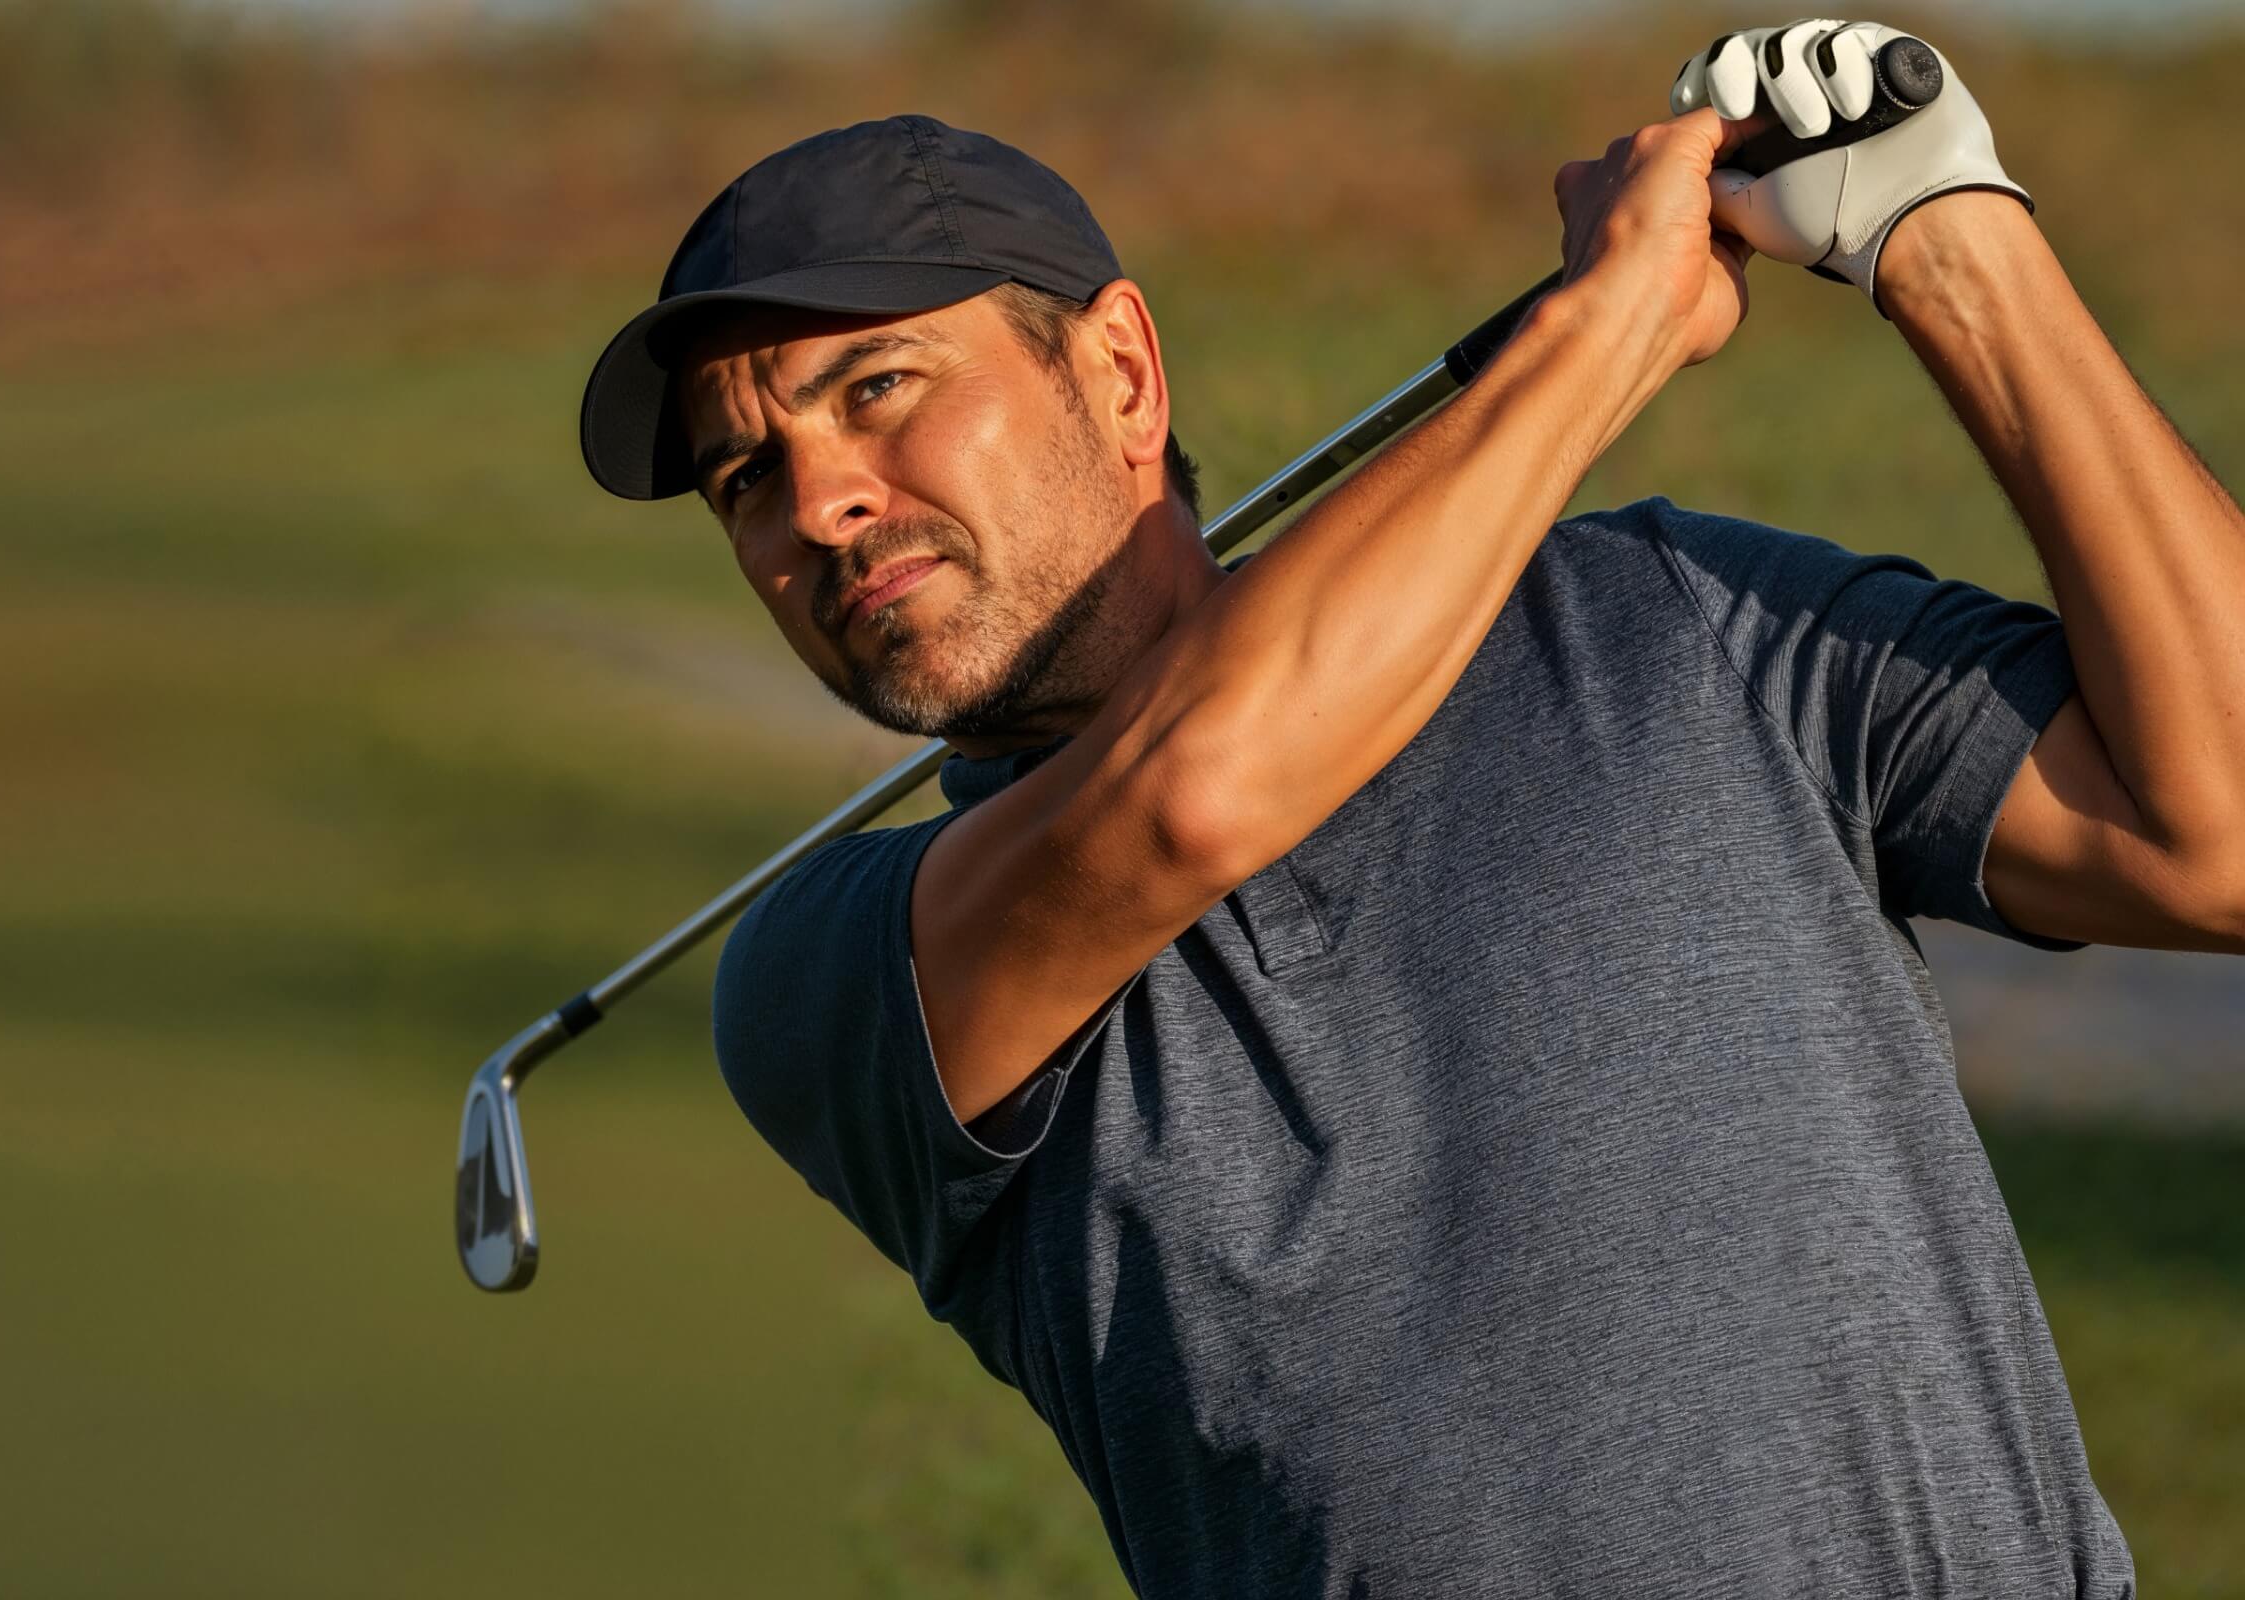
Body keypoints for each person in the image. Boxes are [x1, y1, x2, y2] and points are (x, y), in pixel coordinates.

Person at [573, 20, 2242, 1596]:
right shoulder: (827, 976)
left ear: (1124, 372)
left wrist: (1954, 244)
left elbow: (2219, 833)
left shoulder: (1675, 613)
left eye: (876, 387)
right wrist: (1611, 326)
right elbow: (1196, 791)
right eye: (745, 477)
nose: (818, 502)